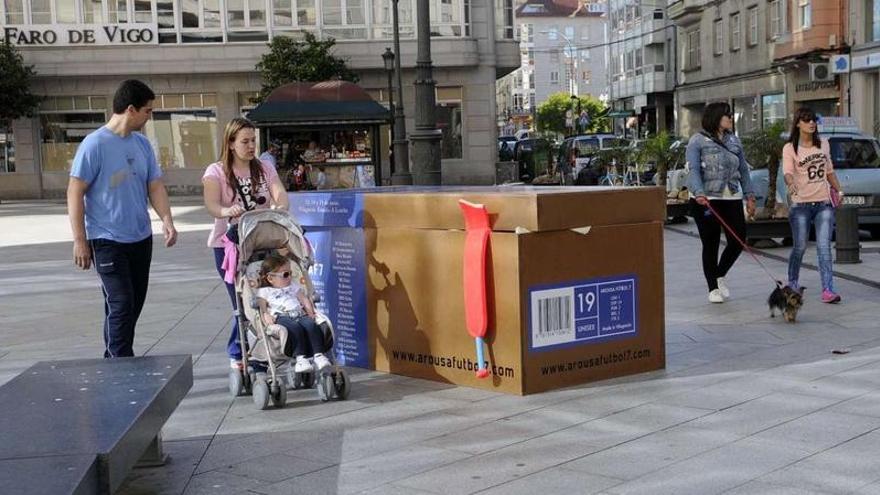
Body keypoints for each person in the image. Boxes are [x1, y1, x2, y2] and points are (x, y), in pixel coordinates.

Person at [67, 79, 178, 358]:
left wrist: (166, 219)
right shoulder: (94, 144)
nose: (149, 116)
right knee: (121, 302)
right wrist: (80, 241)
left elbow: (154, 185)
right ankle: (121, 364)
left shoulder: (142, 145)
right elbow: (75, 191)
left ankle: (113, 357)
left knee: (133, 304)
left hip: (140, 238)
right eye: (148, 111)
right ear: (131, 109)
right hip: (107, 239)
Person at [202, 117, 289, 370]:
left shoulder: (264, 168)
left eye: (253, 140)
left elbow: (279, 193)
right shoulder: (215, 171)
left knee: (265, 298)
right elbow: (212, 205)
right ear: (230, 143)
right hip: (229, 247)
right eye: (245, 141)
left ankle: (260, 352)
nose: (251, 146)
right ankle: (239, 351)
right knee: (243, 301)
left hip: (261, 243)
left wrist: (280, 208)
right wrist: (227, 210)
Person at [685, 102, 756, 304]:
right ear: (717, 117)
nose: (731, 118)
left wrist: (750, 195)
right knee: (711, 242)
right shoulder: (697, 141)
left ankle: (719, 273)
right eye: (727, 115)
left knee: (739, 239)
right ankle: (713, 288)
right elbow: (693, 170)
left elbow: (743, 170)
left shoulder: (734, 140)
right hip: (706, 199)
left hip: (731, 196)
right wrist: (698, 192)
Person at [782, 107, 845, 303]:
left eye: (813, 121)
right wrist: (791, 183)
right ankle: (792, 283)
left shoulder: (823, 144)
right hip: (800, 205)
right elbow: (788, 172)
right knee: (800, 246)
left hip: (823, 204)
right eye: (807, 120)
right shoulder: (790, 148)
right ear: (798, 123)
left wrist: (839, 191)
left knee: (824, 247)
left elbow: (829, 171)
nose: (811, 124)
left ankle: (828, 290)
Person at [257, 253, 331, 373]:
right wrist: (266, 314)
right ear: (270, 278)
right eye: (285, 275)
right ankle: (300, 358)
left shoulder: (292, 286)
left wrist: (310, 311)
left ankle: (319, 355)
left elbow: (303, 298)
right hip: (281, 316)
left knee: (311, 325)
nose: (290, 277)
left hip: (299, 313)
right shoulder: (265, 291)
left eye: (290, 273)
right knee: (294, 328)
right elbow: (261, 306)